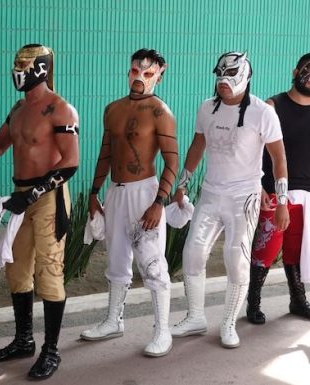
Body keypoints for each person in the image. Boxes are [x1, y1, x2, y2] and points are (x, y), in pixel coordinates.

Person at [0, 43, 79, 380]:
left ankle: (52, 350)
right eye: (17, 63)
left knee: (49, 271)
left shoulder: (61, 110)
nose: (18, 70)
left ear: (42, 68)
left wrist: (32, 193)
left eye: (26, 64)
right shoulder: (17, 109)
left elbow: (71, 163)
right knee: (17, 271)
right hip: (21, 196)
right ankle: (24, 339)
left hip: (48, 196)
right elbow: (1, 145)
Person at [171, 52, 289, 349]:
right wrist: (182, 184)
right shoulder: (207, 108)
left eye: (231, 74)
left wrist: (283, 201)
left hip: (244, 197)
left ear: (245, 76)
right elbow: (198, 146)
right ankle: (196, 316)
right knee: (193, 254)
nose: (223, 81)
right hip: (211, 193)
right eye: (220, 75)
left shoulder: (263, 112)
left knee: (236, 260)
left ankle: (228, 323)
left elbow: (278, 158)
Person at [80, 49, 178, 357]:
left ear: (159, 76)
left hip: (144, 193)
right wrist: (95, 194)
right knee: (116, 258)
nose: (139, 77)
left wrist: (159, 202)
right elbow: (105, 154)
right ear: (128, 70)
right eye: (135, 70)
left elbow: (171, 161)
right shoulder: (112, 109)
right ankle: (113, 320)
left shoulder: (161, 112)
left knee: (152, 263)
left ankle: (163, 331)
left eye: (148, 73)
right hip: (116, 192)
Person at [247, 53, 310, 324]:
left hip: (307, 194)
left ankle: (298, 299)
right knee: (266, 250)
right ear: (295, 71)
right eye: (307, 70)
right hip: (275, 192)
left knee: (296, 250)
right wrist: (260, 185)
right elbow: (255, 150)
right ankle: (253, 303)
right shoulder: (273, 106)